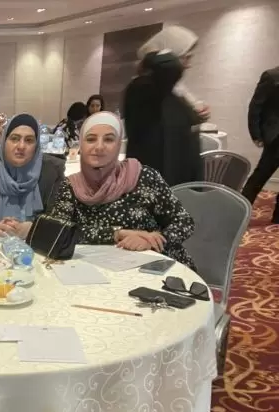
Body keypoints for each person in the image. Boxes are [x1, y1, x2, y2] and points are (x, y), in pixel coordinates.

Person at [49, 112, 195, 267]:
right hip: (98, 268)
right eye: (91, 139)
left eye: (109, 139)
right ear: (81, 145)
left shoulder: (143, 177)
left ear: (119, 145)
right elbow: (58, 232)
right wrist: (117, 234)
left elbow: (183, 221)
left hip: (157, 266)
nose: (99, 147)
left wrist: (153, 241)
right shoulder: (71, 186)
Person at [0, 113, 65, 239]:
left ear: (37, 145)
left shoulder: (52, 171)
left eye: (29, 140)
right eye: (14, 139)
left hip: (36, 245)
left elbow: (61, 220)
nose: (21, 146)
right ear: (4, 141)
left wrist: (34, 228)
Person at [123, 50, 203, 187]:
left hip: (151, 180)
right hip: (169, 183)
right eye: (186, 58)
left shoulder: (145, 94)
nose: (188, 64)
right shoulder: (146, 93)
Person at [137, 25, 210, 123]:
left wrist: (199, 111)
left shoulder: (174, 87)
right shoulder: (148, 92)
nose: (189, 65)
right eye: (186, 57)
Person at [243, 66, 279, 223]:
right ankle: (239, 212)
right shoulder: (272, 76)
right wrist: (256, 134)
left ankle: (278, 217)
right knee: (261, 175)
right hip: (276, 136)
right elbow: (256, 106)